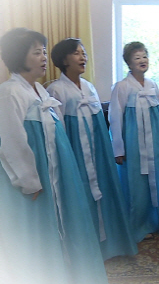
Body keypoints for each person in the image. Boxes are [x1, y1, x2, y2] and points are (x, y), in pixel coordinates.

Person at [0, 28, 108, 283]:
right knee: (38, 232)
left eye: (44, 52)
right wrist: (28, 181)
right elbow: (11, 142)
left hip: (56, 169)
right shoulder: (9, 92)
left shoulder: (39, 89)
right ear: (18, 56)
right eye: (36, 52)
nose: (43, 57)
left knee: (63, 225)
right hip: (34, 179)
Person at [47, 38, 138, 259]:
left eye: (84, 52)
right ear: (63, 59)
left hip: (98, 154)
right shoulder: (55, 90)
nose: (83, 57)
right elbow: (56, 131)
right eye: (77, 53)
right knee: (81, 197)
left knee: (105, 194)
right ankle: (87, 251)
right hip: (76, 156)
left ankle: (112, 246)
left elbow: (100, 125)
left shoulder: (89, 87)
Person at [109, 41, 159, 242]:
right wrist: (118, 149)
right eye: (137, 58)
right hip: (134, 143)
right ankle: (138, 226)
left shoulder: (154, 86)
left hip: (156, 141)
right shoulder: (121, 87)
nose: (142, 61)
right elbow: (115, 118)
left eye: (144, 57)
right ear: (128, 63)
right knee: (137, 185)